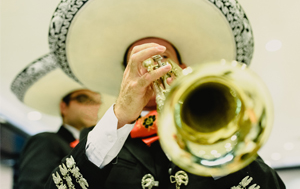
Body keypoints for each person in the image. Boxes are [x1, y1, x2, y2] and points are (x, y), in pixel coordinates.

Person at [45, 38, 285, 189]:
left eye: (163, 59)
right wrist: (120, 115)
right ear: (126, 78)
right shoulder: (95, 138)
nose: (152, 71)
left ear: (182, 70)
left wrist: (210, 143)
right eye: (139, 64)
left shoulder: (218, 133)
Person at [10, 53, 116, 189]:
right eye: (84, 99)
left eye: (97, 102)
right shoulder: (46, 141)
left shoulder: (97, 148)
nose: (94, 107)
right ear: (63, 106)